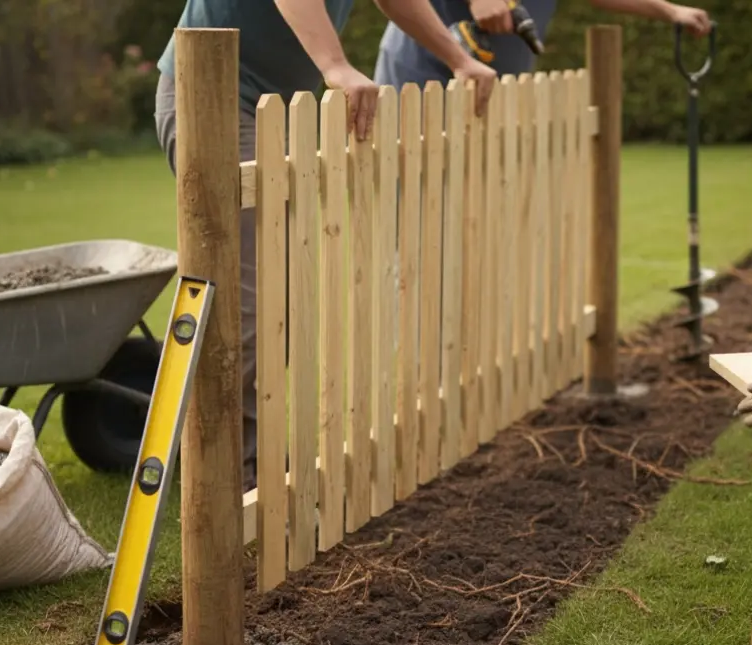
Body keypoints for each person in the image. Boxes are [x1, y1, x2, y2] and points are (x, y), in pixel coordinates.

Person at [154, 1, 497, 489]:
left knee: (281, 297)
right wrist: (335, 65)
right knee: (247, 300)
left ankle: (250, 453)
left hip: (275, 111)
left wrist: (457, 57)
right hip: (214, 96)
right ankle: (232, 478)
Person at [373, 0, 712, 89]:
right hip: (422, 75)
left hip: (496, 85)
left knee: (475, 223)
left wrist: (669, 10)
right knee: (416, 218)